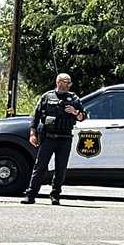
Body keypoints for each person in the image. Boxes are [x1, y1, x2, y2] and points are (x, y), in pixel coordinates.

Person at [23, 72, 88, 205]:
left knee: (60, 168)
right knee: (39, 167)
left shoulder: (73, 98)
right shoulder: (47, 96)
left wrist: (75, 113)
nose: (68, 85)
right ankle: (30, 195)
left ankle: (55, 195)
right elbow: (35, 117)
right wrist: (32, 134)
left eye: (69, 83)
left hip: (64, 138)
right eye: (66, 82)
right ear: (58, 82)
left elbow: (83, 117)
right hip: (48, 137)